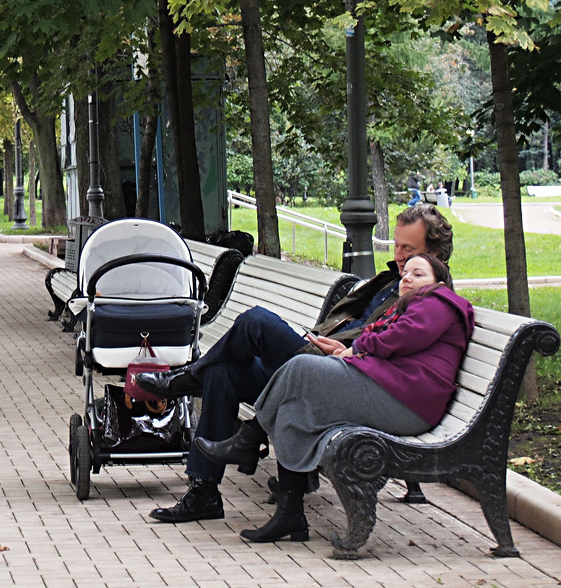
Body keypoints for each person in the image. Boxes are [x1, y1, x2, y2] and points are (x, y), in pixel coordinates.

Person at [139, 203, 455, 524]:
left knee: (256, 321)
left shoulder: (428, 298)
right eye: (398, 246)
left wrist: (347, 352)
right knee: (223, 373)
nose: (400, 255)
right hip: (318, 361)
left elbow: (394, 350)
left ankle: (185, 381)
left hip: (336, 377)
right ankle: (204, 492)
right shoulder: (392, 281)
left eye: (409, 249)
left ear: (435, 256)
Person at [208, 254, 474, 543]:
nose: (407, 278)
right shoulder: (410, 306)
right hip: (392, 392)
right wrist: (354, 349)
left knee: (300, 367)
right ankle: (290, 514)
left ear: (439, 282)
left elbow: (397, 339)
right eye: (406, 273)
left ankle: (248, 438)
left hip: (409, 405)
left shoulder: (439, 302)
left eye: (418, 274)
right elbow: (381, 336)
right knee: (294, 407)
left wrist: (356, 347)